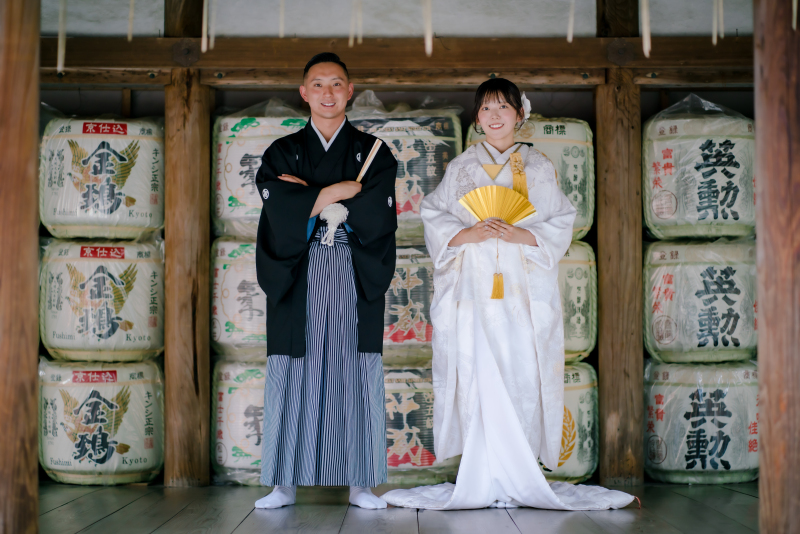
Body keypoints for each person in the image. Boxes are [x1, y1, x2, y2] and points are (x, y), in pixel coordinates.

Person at [382, 79, 634, 510]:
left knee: (520, 376)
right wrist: (467, 232)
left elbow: (561, 220)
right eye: (485, 108)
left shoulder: (537, 168)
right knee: (479, 376)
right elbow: (433, 214)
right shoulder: (461, 167)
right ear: (477, 118)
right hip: (474, 292)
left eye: (503, 107)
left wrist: (522, 233)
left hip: (521, 295)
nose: (494, 116)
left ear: (521, 114)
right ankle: (481, 473)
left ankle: (519, 472)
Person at [253, 53, 398, 510]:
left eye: (337, 84)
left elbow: (378, 214)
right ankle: (282, 483)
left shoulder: (373, 152)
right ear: (304, 93)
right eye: (318, 84)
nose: (328, 93)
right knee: (293, 371)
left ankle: (361, 483)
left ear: (350, 91)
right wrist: (336, 192)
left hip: (354, 271)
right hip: (299, 273)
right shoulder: (282, 151)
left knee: (353, 371)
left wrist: (308, 198)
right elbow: (279, 205)